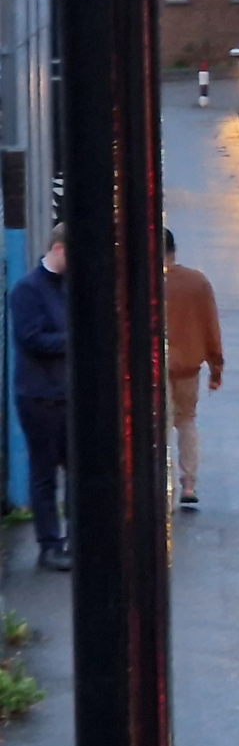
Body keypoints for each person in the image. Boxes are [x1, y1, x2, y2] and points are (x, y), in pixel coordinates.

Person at [10, 226, 68, 571]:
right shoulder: (28, 290)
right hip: (39, 395)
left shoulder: (65, 288)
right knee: (44, 471)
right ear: (59, 249)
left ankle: (71, 541)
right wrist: (73, 339)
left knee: (74, 469)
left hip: (63, 391)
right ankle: (50, 545)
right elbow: (31, 338)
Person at [164, 229, 223, 507]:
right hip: (187, 367)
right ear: (174, 250)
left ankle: (161, 482)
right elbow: (210, 325)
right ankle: (188, 483)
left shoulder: (142, 283)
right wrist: (216, 367)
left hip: (152, 368)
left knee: (158, 424)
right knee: (186, 421)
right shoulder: (197, 282)